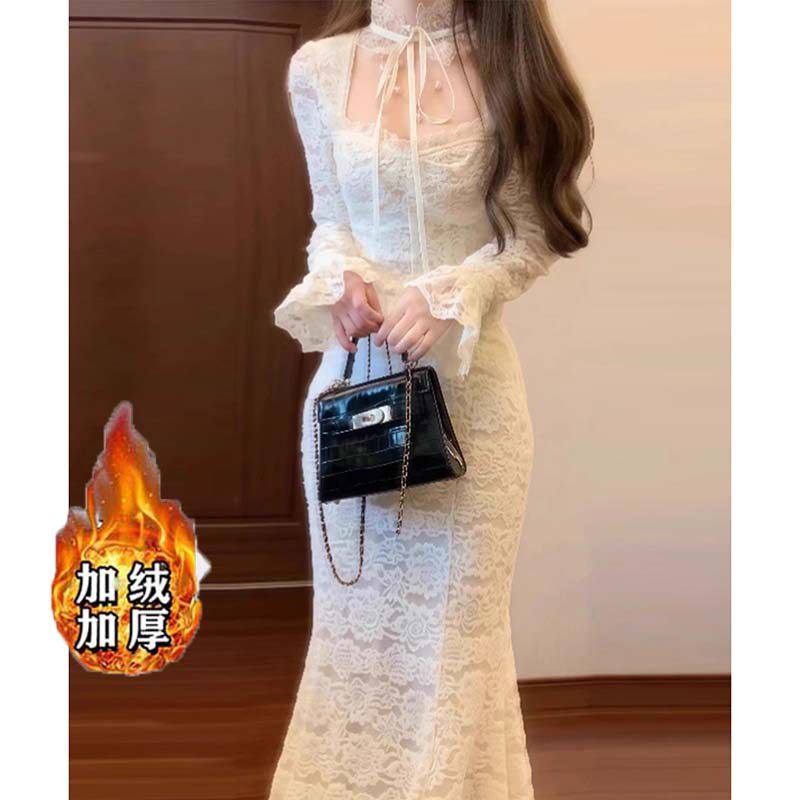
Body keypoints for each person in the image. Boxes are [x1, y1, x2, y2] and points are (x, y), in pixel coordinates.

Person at [270, 0, 592, 797]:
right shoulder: (318, 71)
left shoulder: (508, 55)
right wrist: (341, 280)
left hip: (475, 404)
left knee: (457, 648)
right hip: (357, 395)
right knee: (355, 643)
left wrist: (455, 292)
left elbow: (533, 236)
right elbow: (330, 224)